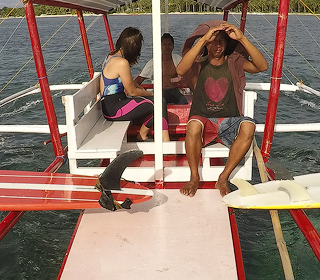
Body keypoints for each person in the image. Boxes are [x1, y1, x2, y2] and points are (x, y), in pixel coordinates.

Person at [176, 21, 268, 196]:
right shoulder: (199, 62)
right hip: (204, 120)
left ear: (227, 44)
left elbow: (262, 66)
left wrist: (242, 37)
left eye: (222, 42)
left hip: (229, 122)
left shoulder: (235, 61)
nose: (218, 45)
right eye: (214, 41)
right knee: (193, 125)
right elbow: (180, 69)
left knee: (249, 125)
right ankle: (194, 177)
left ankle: (223, 178)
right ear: (208, 43)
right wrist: (203, 40)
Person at [100, 27, 169, 142]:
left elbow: (131, 83)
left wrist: (143, 91)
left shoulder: (111, 56)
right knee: (159, 103)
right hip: (115, 109)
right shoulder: (122, 62)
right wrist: (150, 93)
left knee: (157, 102)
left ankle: (151, 137)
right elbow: (132, 91)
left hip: (110, 106)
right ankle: (150, 137)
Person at [135, 32, 187, 105]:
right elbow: (138, 80)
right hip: (159, 92)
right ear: (160, 46)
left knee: (184, 103)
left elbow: (188, 75)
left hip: (174, 91)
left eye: (170, 44)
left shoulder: (177, 59)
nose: (167, 47)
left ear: (173, 46)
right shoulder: (153, 62)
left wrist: (180, 80)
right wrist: (143, 92)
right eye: (164, 44)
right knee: (161, 103)